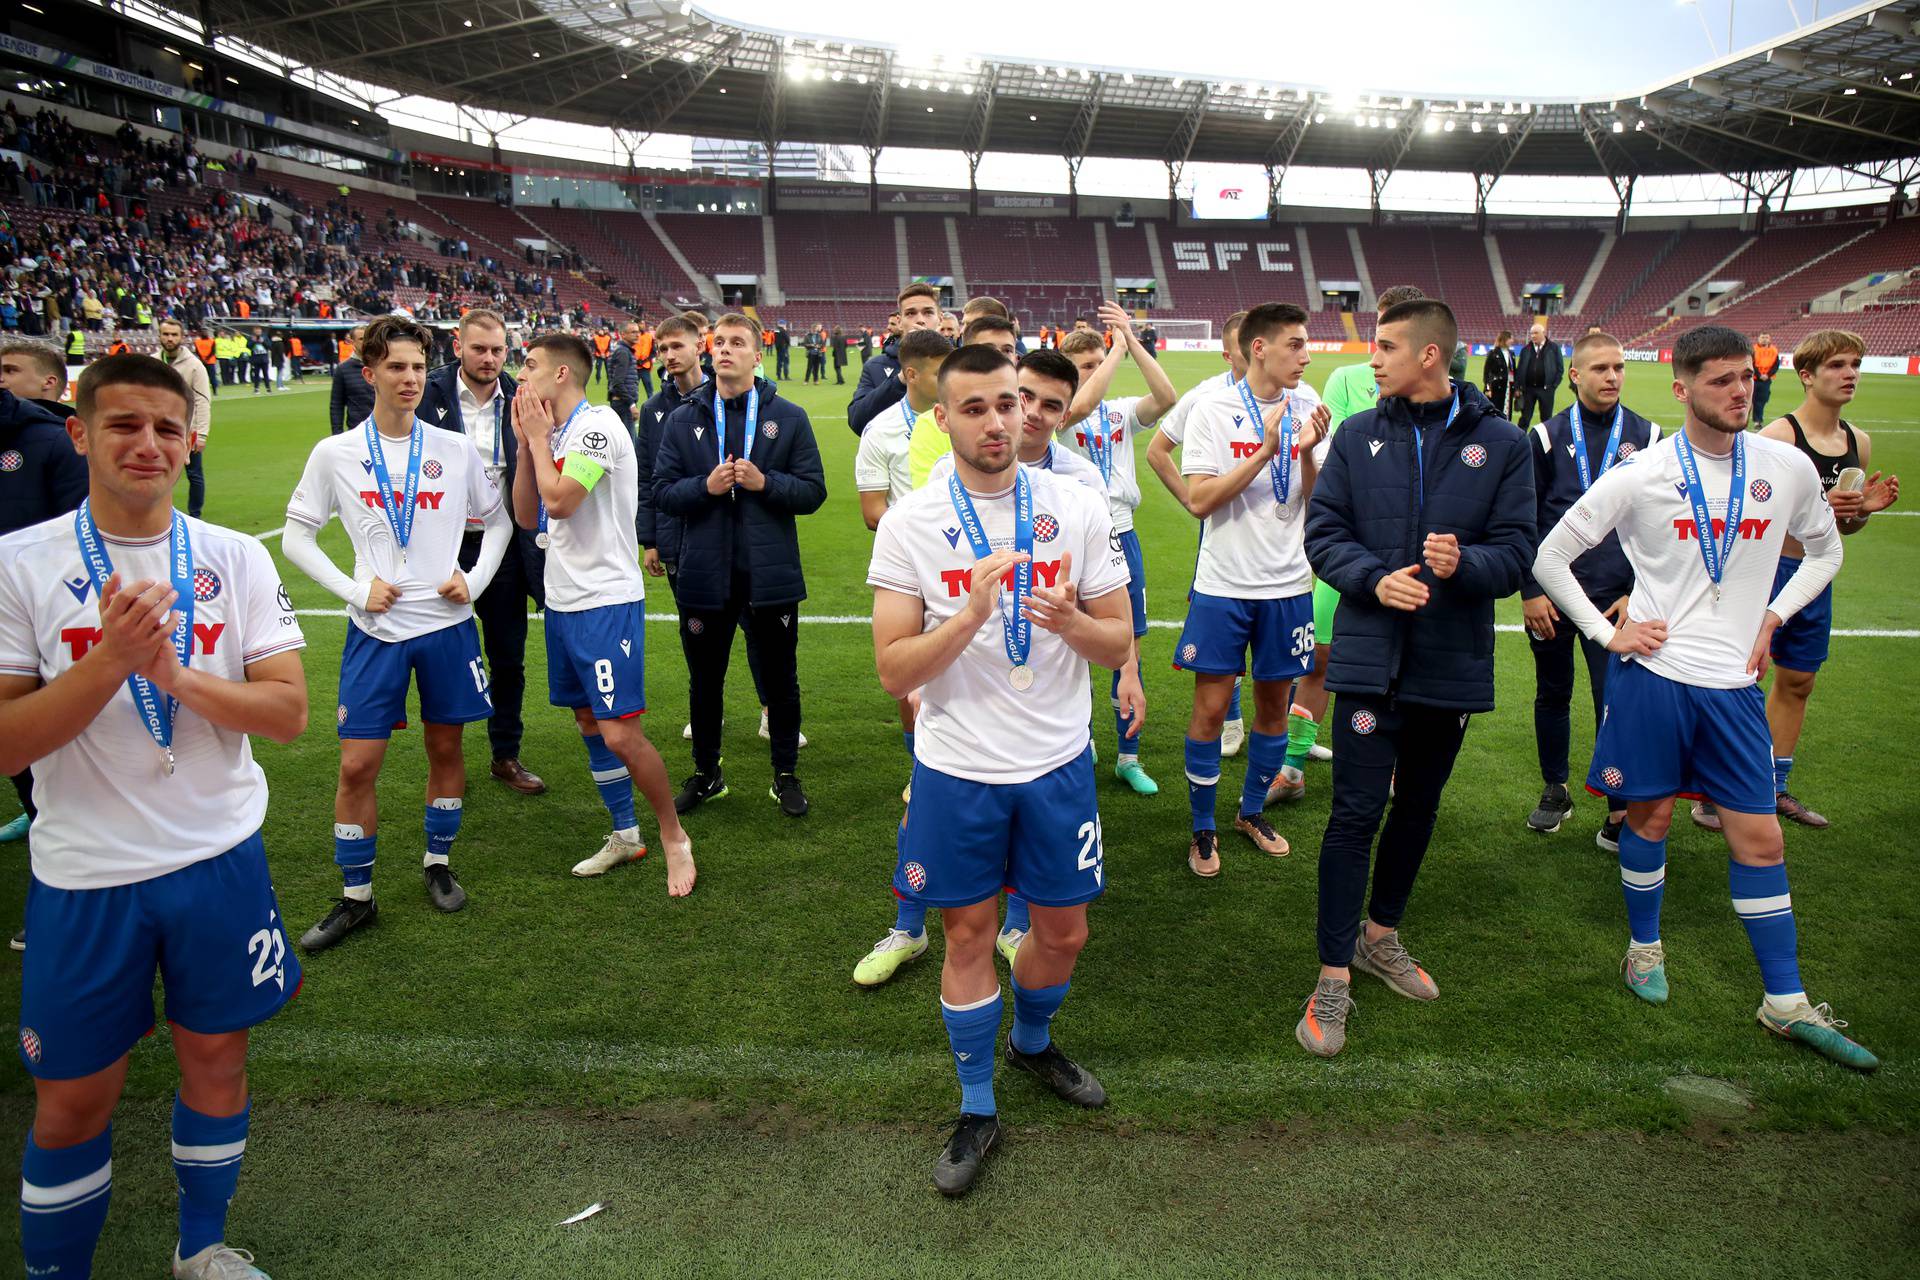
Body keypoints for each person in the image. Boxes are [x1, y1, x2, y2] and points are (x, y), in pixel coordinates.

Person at [0, 353, 308, 1279]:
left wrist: (174, 675)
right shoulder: (19, 564)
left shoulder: (231, 556)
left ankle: (200, 1250)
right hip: (88, 875)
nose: (147, 444)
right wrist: (111, 662)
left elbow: (288, 713)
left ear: (188, 443)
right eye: (125, 425)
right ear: (80, 434)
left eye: (166, 429)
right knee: (72, 1103)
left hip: (220, 858)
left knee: (218, 1063)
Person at [1532, 323, 1876, 1071]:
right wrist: (1604, 631)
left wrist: (1776, 616)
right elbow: (1552, 555)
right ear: (1683, 389)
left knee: (1762, 839)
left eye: (1745, 379)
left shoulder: (1783, 468)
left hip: (1733, 691)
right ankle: (1644, 950)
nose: (1738, 392)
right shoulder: (1642, 472)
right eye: (1720, 381)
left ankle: (1783, 1003)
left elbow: (1827, 549)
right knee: (1648, 819)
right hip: (1654, 680)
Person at [867, 343, 1132, 1197]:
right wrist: (973, 612)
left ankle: (1032, 1042)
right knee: (969, 935)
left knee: (1064, 934)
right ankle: (977, 1104)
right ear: (942, 418)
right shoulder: (911, 522)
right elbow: (895, 670)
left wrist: (1066, 624)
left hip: (1057, 763)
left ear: (1028, 410)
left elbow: (1118, 639)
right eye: (974, 407)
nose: (996, 421)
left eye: (1008, 404)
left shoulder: (1075, 504)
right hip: (957, 770)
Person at [1295, 297, 1535, 1057]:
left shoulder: (1503, 443)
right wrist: (1372, 580)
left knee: (1418, 807)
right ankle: (1332, 975)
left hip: (1448, 665)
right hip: (1369, 661)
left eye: (1389, 346)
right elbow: (1323, 532)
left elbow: (1520, 549)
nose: (1374, 358)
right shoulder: (1360, 434)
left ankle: (1380, 936)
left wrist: (1468, 564)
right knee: (1355, 814)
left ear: (1430, 354)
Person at [281, 315, 512, 949]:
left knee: (446, 752)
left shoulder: (453, 447)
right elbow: (296, 537)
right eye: (396, 368)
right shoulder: (337, 454)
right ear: (370, 373)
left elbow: (498, 522)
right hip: (374, 630)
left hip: (448, 628)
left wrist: (476, 578)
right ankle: (357, 897)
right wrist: (357, 590)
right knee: (357, 766)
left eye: (417, 367)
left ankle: (438, 864)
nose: (409, 379)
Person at [509, 332, 696, 894]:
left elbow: (562, 500)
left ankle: (673, 836)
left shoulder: (598, 426)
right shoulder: (553, 432)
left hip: (606, 601)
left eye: (530, 365)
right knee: (589, 721)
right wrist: (525, 445)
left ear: (562, 375)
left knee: (619, 732)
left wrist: (539, 443)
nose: (521, 375)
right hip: (563, 600)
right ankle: (625, 833)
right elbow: (526, 514)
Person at [1176, 303, 1332, 874]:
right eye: (1294, 344)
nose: (1306, 354)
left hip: (1289, 585)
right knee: (1212, 708)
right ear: (1258, 347)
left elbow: (1313, 499)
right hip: (1223, 585)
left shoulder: (1311, 405)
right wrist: (1267, 451)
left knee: (1275, 707)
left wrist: (1308, 451)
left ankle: (1249, 811)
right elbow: (1199, 499)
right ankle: (1202, 827)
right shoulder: (1211, 409)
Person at [654, 313, 827, 818]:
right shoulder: (684, 418)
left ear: (757, 355)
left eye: (737, 343)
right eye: (719, 342)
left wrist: (765, 484)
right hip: (704, 576)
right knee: (704, 681)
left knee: (781, 679)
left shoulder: (788, 416)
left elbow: (814, 491)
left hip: (769, 576)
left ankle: (786, 774)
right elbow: (662, 492)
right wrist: (703, 488)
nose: (725, 350)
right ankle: (707, 773)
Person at [1270, 286, 1427, 806]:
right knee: (1319, 657)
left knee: (1403, 667)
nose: (1380, 350)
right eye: (1379, 332)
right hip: (1354, 545)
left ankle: (1396, 772)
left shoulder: (1434, 395)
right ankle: (1292, 768)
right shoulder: (1345, 381)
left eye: (1394, 335)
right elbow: (1339, 456)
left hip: (1410, 553)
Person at [1745, 329, 1898, 830]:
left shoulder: (1859, 442)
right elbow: (1747, 518)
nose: (1849, 373)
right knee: (1744, 679)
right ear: (1807, 376)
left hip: (1815, 572)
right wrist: (1814, 510)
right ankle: (1719, 791)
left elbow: (1844, 528)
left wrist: (1862, 513)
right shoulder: (1779, 437)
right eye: (1836, 365)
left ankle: (1774, 788)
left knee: (1799, 681)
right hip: (1768, 574)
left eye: (1855, 363)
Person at [1516, 331, 1657, 850]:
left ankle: (1619, 806)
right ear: (1575, 375)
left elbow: (1661, 527)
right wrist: (1531, 588)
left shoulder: (1649, 435)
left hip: (1616, 598)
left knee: (1613, 700)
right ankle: (1556, 789)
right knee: (1552, 693)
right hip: (1553, 596)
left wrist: (1638, 591)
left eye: (1618, 367)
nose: (1612, 377)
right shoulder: (1546, 436)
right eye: (1600, 368)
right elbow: (1525, 519)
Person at [849, 328, 953, 986]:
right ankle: (909, 927)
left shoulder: (1058, 483)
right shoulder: (901, 446)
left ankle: (1020, 921)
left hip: (1020, 685)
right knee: (924, 798)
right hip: (931, 638)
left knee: (1020, 813)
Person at [415, 309, 548, 797]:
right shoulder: (426, 394)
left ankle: (504, 755)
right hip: (438, 545)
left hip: (503, 543)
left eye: (497, 350)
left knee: (508, 655)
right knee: (439, 653)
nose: (489, 359)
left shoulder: (521, 396)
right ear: (457, 346)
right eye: (479, 349)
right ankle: (446, 760)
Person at [1056, 313, 1177, 796]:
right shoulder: (1062, 413)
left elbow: (1167, 398)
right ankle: (1078, 742)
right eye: (1082, 365)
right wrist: (1114, 352)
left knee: (1129, 646)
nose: (1092, 371)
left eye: (1095, 362)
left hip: (1121, 534)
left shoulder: (1122, 410)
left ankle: (1130, 756)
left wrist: (1130, 340)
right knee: (1069, 646)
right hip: (1070, 539)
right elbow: (1082, 403)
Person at [1145, 311, 1251, 758]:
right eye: (1248, 349)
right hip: (1224, 539)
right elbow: (1157, 451)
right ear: (1229, 354)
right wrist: (1193, 502)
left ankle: (1281, 733)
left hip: (1283, 544)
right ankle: (1231, 720)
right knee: (1224, 641)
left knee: (1278, 646)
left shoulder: (1297, 394)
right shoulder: (1207, 396)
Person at [0, 385, 84, 864]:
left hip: (56, 608)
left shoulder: (45, 441)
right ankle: (40, 822)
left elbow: (285, 716)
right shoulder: (12, 559)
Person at [848, 286, 942, 435]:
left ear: (940, 319)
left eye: (928, 313)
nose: (920, 320)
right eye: (910, 313)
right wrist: (900, 380)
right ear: (899, 321)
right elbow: (857, 422)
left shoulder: (959, 365)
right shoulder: (875, 366)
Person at [156, 320, 213, 522]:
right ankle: (159, 513)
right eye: (166, 334)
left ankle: (195, 516)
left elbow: (203, 401)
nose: (170, 338)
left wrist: (202, 434)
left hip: (186, 431)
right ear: (160, 335)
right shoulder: (153, 362)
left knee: (194, 475)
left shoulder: (194, 366)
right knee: (158, 473)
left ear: (181, 337)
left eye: (174, 334)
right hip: (156, 431)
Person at [1513, 321, 1563, 429]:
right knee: (1525, 418)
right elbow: (1519, 369)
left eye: (1536, 333)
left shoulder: (1553, 348)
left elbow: (1560, 369)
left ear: (1543, 333)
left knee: (1546, 419)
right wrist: (1517, 387)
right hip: (1528, 390)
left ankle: (1546, 444)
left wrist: (1553, 386)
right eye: (1531, 333)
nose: (1533, 336)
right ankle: (1520, 442)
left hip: (1546, 390)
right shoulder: (1525, 350)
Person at [328, 326, 373, 436]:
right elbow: (336, 405)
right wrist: (337, 434)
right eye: (362, 339)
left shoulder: (382, 366)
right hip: (357, 432)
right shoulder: (343, 369)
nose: (366, 342)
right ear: (352, 342)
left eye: (369, 338)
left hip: (385, 431)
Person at [607, 321, 640, 433]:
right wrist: (631, 404)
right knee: (629, 444)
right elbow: (617, 382)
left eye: (638, 331)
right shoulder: (623, 352)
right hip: (623, 403)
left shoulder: (621, 350)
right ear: (623, 334)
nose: (637, 334)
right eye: (633, 332)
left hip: (620, 401)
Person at [1481, 329, 1516, 419]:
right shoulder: (1493, 353)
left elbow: (1513, 371)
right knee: (1496, 409)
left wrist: (1516, 387)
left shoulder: (1511, 354)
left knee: (1507, 410)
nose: (1512, 341)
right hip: (1496, 387)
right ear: (1505, 339)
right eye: (1510, 339)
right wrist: (1488, 388)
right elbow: (1487, 372)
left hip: (1508, 387)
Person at [1750, 332, 1780, 427]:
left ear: (1769, 339)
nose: (1764, 339)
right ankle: (1745, 420)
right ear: (1758, 338)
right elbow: (1751, 363)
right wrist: (1759, 375)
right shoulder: (1753, 349)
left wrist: (1768, 375)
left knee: (1761, 400)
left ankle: (1758, 421)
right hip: (1754, 379)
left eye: (1766, 337)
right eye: (1762, 337)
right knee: (1750, 400)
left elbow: (1776, 365)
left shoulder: (1774, 350)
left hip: (1766, 380)